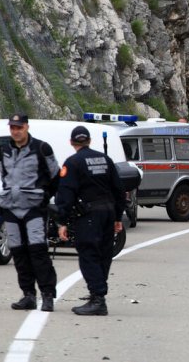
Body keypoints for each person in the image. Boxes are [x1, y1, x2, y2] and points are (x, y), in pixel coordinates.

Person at [55, 126, 126, 316]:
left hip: (89, 216)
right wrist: (118, 217)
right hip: (108, 212)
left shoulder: (73, 162)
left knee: (88, 255)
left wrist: (62, 221)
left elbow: (66, 194)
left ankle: (98, 299)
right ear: (89, 141)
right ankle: (98, 293)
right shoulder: (105, 159)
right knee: (104, 254)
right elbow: (119, 189)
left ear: (72, 142)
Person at [0, 113, 60, 312]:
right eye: (12, 127)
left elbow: (56, 175)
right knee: (18, 253)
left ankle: (47, 295)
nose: (15, 131)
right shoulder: (5, 149)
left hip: (34, 208)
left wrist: (44, 196)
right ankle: (28, 295)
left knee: (38, 251)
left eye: (19, 127)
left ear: (27, 127)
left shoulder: (42, 148)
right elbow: (4, 174)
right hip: (11, 208)